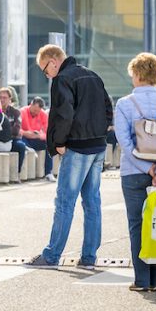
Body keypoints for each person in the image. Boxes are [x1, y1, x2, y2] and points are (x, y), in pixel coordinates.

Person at [27, 44, 113, 270]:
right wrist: (101, 133)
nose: (46, 75)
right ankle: (88, 257)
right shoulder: (92, 75)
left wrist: (60, 142)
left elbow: (63, 113)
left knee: (65, 202)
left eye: (45, 70)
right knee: (92, 201)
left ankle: (52, 255)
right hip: (97, 146)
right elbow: (108, 107)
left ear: (53, 61)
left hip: (76, 147)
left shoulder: (63, 79)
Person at [113, 52, 156, 292]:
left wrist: (146, 168)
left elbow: (124, 141)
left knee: (137, 225)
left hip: (133, 173)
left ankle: (141, 280)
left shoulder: (124, 104)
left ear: (138, 74)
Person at [20, 97, 54, 181]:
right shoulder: (22, 112)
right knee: (21, 141)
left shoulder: (43, 114)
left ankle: (48, 172)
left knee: (50, 144)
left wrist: (40, 136)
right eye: (34, 110)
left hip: (36, 138)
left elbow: (48, 133)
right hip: (25, 137)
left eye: (38, 111)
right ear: (30, 105)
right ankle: (27, 148)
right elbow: (17, 129)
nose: (36, 113)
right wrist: (25, 133)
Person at [0, 88, 27, 172]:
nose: (2, 100)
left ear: (10, 99)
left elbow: (16, 130)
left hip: (12, 140)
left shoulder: (15, 112)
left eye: (5, 97)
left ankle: (17, 173)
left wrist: (2, 131)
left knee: (21, 146)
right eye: (0, 97)